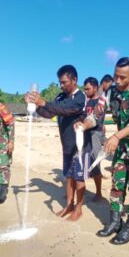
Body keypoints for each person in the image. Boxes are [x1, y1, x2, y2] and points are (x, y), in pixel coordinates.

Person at [82, 57, 129, 244]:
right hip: (121, 144)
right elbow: (97, 114)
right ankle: (115, 221)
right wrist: (84, 125)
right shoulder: (110, 91)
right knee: (117, 183)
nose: (118, 81)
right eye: (116, 76)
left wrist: (115, 136)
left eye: (123, 77)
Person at [26, 65, 88, 221]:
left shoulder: (80, 97)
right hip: (66, 145)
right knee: (68, 176)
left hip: (81, 146)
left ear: (74, 80)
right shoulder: (60, 97)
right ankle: (69, 205)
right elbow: (50, 113)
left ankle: (78, 209)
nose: (61, 85)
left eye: (64, 82)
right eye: (60, 82)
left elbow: (66, 110)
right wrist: (36, 105)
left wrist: (43, 102)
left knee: (79, 180)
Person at [83, 77, 105, 201]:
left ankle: (98, 193)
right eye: (84, 89)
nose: (86, 91)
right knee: (84, 161)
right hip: (86, 133)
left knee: (95, 162)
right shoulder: (87, 101)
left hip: (95, 134)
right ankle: (83, 188)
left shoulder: (100, 102)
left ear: (95, 88)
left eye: (88, 89)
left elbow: (96, 119)